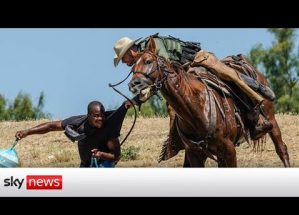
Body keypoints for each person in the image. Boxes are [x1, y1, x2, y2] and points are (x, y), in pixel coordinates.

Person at [113, 34, 274, 140]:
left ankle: (256, 104)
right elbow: (152, 83)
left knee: (228, 77)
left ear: (131, 51)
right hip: (183, 74)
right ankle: (180, 140)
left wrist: (139, 97)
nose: (125, 62)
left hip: (197, 61)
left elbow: (166, 72)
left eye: (124, 58)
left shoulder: (152, 46)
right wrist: (137, 98)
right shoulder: (141, 62)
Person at [15, 100, 134, 167]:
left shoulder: (109, 126)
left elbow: (116, 156)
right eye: (97, 116)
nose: (100, 119)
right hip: (85, 165)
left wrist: (101, 154)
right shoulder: (78, 122)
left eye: (102, 115)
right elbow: (51, 126)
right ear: (89, 116)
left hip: (104, 164)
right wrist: (27, 132)